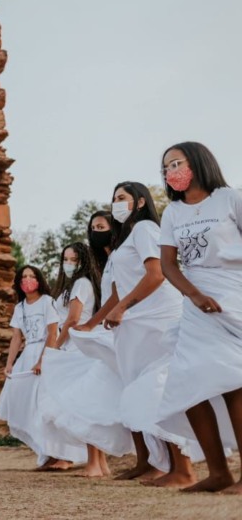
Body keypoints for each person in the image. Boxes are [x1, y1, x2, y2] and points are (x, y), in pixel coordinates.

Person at [153, 142, 242, 493]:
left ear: (198, 161)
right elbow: (167, 264)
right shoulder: (172, 213)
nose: (171, 171)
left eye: (177, 162)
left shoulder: (229, 198)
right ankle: (218, 472)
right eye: (166, 167)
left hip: (233, 296)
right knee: (188, 383)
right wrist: (193, 294)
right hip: (196, 303)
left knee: (234, 380)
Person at [100, 181, 197, 487]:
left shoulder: (144, 229)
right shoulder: (126, 238)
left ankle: (182, 468)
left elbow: (157, 274)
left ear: (140, 202)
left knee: (157, 389)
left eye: (121, 198)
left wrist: (123, 308)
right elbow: (120, 287)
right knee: (138, 392)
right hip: (135, 324)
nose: (115, 203)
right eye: (113, 198)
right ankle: (156, 464)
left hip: (157, 320)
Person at [38, 243, 102, 474]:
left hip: (76, 348)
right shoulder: (71, 285)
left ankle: (94, 462)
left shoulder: (82, 284)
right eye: (66, 259)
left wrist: (55, 345)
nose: (69, 263)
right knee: (73, 405)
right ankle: (88, 460)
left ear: (83, 261)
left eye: (74, 259)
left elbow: (73, 319)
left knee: (82, 405)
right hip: (69, 347)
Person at [0, 265, 64, 468]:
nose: (27, 280)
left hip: (46, 353)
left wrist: (43, 360)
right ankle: (47, 453)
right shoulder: (20, 308)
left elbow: (53, 333)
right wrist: (9, 364)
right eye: (23, 277)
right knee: (27, 405)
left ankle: (62, 455)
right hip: (27, 356)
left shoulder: (47, 302)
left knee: (47, 404)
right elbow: (16, 337)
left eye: (31, 276)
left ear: (39, 280)